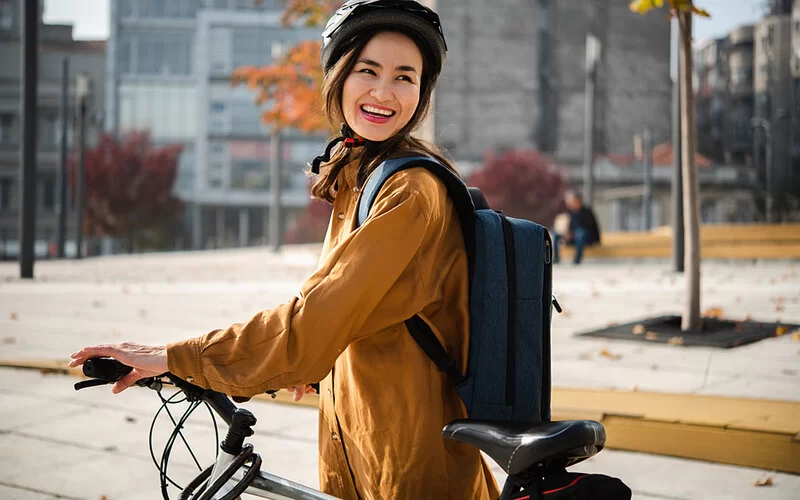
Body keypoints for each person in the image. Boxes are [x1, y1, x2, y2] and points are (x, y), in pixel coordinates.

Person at [69, 2, 500, 499]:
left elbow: (310, 323)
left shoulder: (410, 192)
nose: (384, 92)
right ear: (339, 77)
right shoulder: (366, 174)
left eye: (405, 77)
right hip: (368, 441)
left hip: (410, 462)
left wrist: (173, 356)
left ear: (422, 92)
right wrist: (321, 366)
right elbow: (366, 313)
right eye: (368, 70)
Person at [552, 190, 601, 264]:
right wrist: (566, 234)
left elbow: (589, 228)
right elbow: (566, 226)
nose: (569, 203)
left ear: (577, 201)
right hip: (573, 237)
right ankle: (556, 258)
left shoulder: (587, 211)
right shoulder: (569, 212)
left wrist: (572, 234)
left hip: (586, 238)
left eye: (571, 201)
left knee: (580, 233)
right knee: (556, 234)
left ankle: (577, 259)